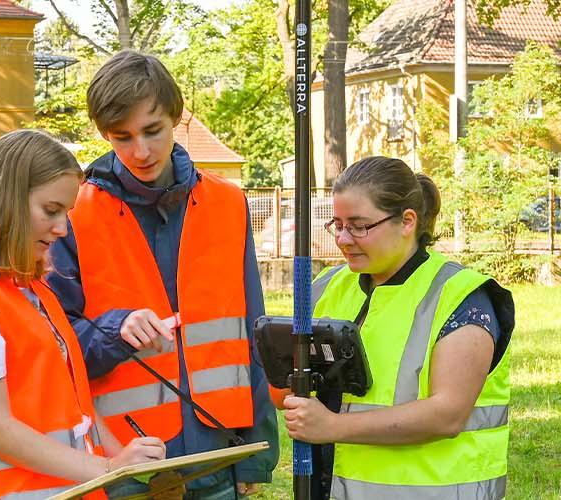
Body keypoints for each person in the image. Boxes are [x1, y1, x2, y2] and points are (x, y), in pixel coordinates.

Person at [46, 50, 279, 499]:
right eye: (122, 137)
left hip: (218, 454)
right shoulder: (74, 212)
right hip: (120, 462)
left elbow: (254, 332)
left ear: (177, 117)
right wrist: (118, 329)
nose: (141, 151)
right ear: (103, 134)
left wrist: (253, 452)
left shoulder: (229, 204)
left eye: (153, 131)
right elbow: (55, 344)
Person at [0, 130, 166, 500]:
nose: (62, 229)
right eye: (51, 211)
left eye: (66, 213)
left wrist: (126, 462)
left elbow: (75, 409)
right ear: (6, 201)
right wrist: (110, 468)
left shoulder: (28, 289)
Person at [280, 156, 515, 499]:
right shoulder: (327, 287)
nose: (343, 239)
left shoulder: (461, 298)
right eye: (337, 224)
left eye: (359, 225)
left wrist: (332, 427)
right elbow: (291, 387)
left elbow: (448, 414)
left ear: (407, 222)